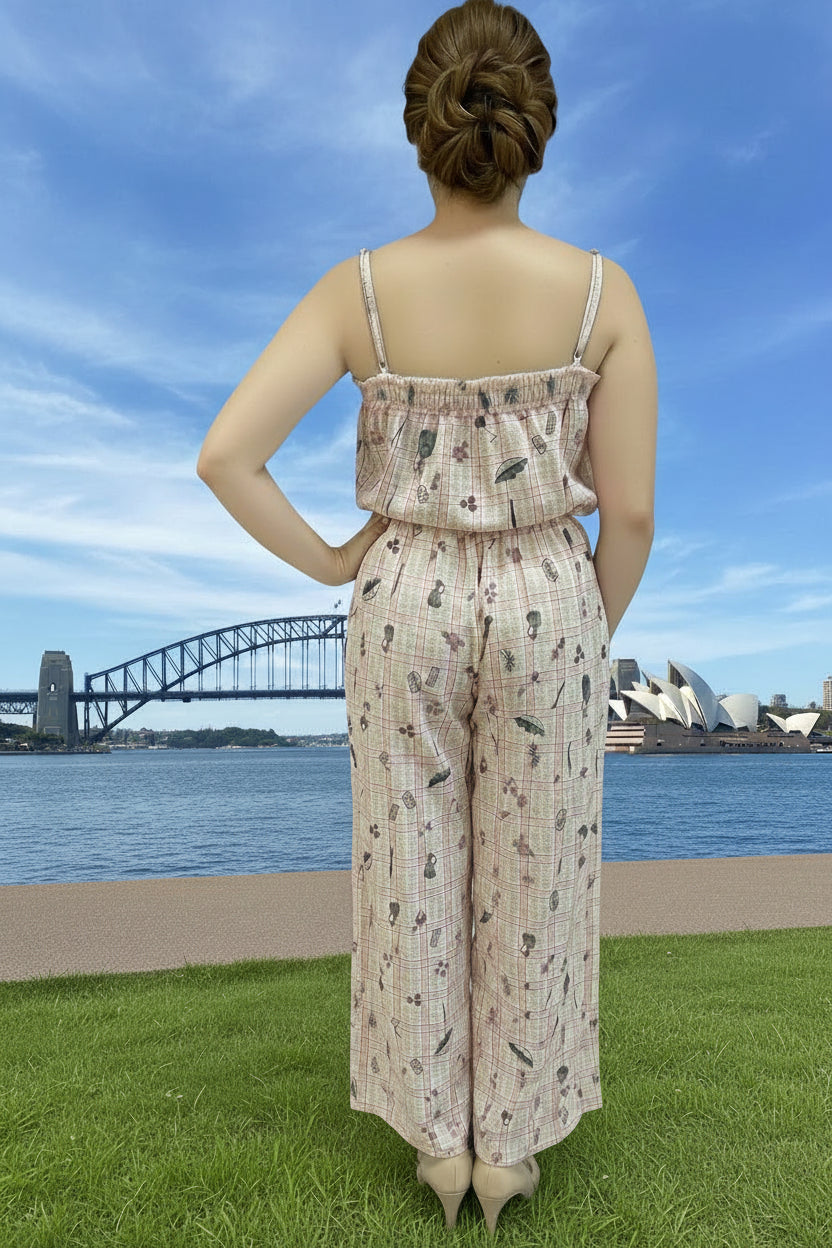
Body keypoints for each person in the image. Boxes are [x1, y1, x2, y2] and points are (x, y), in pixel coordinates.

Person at [196, 0, 657, 1234]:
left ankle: (438, 1150)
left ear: (422, 129)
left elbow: (229, 456)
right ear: (536, 127)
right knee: (537, 873)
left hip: (403, 598)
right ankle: (510, 1151)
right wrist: (583, 632)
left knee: (408, 867)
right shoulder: (601, 296)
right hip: (550, 596)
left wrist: (334, 560)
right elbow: (635, 516)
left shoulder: (361, 292)